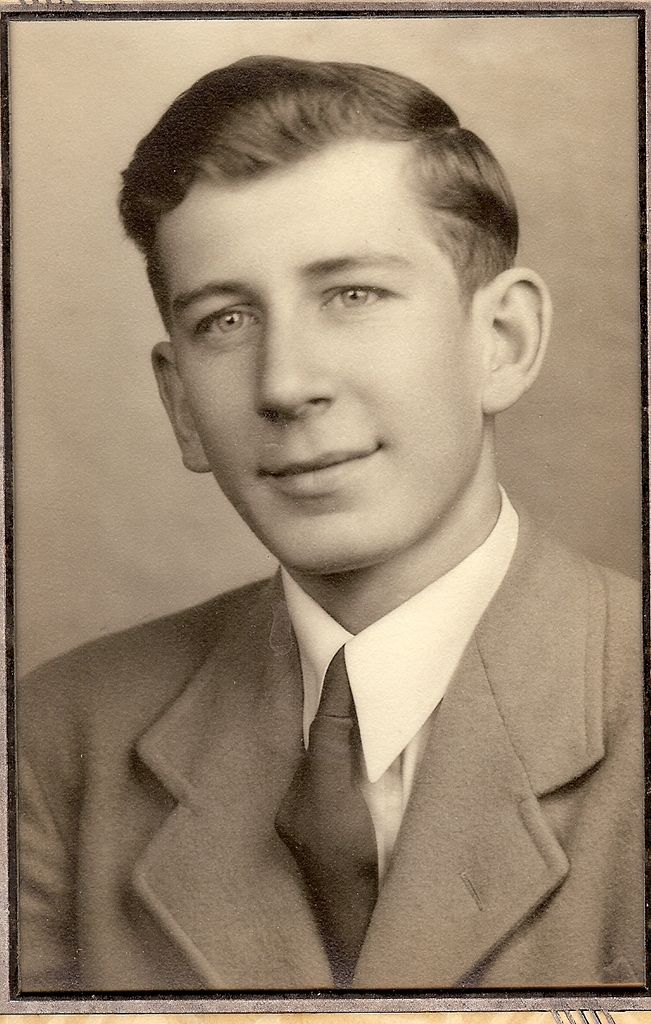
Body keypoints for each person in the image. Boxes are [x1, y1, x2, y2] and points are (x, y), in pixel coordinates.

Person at [17, 56, 644, 993]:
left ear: (500, 342)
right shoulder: (59, 744)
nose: (284, 384)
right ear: (181, 405)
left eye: (352, 295)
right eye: (226, 320)